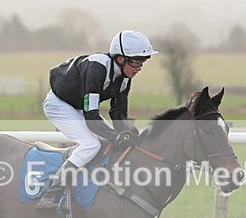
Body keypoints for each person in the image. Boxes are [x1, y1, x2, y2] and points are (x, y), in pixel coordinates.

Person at [36, 30, 158, 209]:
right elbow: (91, 116)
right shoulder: (96, 67)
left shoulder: (125, 78)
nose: (139, 67)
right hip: (58, 104)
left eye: (142, 63)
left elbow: (118, 114)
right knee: (91, 144)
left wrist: (131, 134)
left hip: (78, 107)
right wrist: (116, 137)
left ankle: (88, 184)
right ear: (120, 58)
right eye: (136, 62)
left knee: (106, 141)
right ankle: (52, 193)